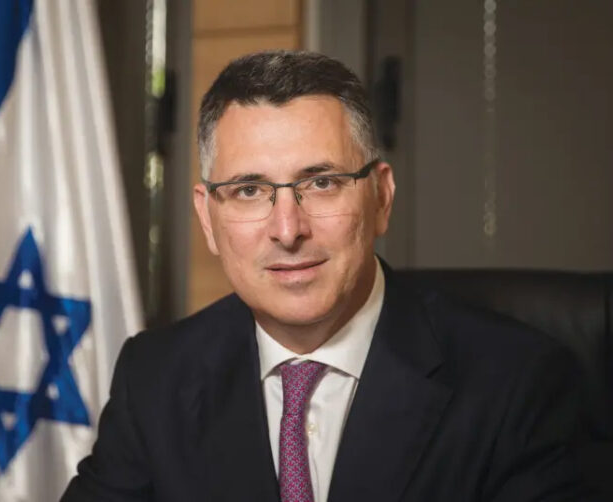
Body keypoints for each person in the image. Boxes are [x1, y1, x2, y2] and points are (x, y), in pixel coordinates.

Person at [62, 50, 593, 501]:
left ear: (381, 197)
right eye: (249, 190)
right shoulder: (154, 379)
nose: (288, 230)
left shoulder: (516, 383)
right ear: (207, 217)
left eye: (321, 183)